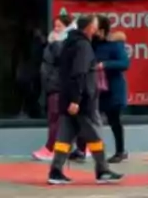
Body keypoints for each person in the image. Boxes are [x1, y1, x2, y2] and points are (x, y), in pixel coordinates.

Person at [46, 15, 123, 185]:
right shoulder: (83, 46)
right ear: (88, 27)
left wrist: (71, 99)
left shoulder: (69, 43)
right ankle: (102, 170)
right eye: (95, 25)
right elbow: (78, 73)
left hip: (68, 99)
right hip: (83, 101)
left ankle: (55, 171)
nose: (96, 28)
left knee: (64, 138)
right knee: (95, 134)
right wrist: (76, 99)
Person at [94, 20, 130, 163]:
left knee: (114, 121)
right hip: (96, 89)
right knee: (89, 120)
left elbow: (124, 63)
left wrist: (105, 65)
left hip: (112, 89)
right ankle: (83, 149)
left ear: (103, 30)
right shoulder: (91, 44)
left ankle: (120, 151)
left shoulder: (114, 45)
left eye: (96, 29)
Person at [33, 18, 69, 161]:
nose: (56, 28)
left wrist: (54, 43)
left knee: (55, 118)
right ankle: (80, 147)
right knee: (57, 118)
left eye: (60, 26)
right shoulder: (53, 42)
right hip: (51, 85)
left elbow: (60, 58)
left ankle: (51, 148)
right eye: (55, 26)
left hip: (57, 86)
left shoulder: (63, 43)